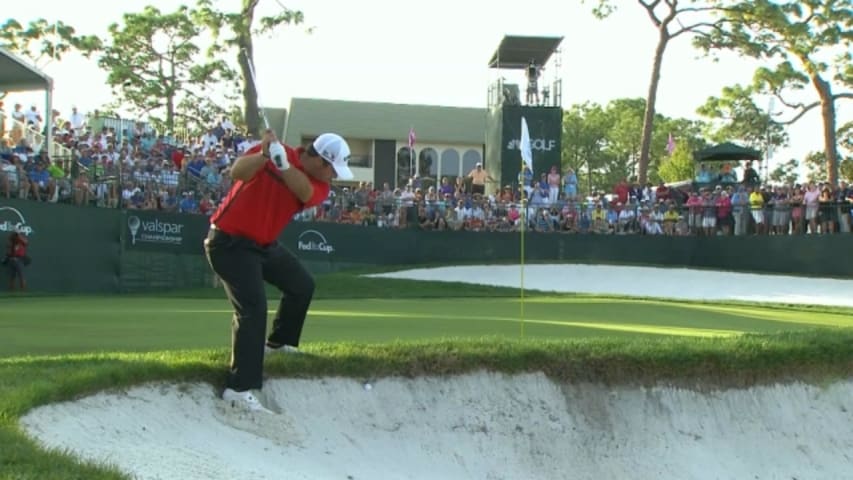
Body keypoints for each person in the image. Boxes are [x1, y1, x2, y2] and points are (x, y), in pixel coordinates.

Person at [204, 130, 353, 413]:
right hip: (228, 242)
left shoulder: (317, 185)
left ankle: (278, 345)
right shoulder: (273, 149)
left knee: (301, 285)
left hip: (262, 245)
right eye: (333, 170)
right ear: (322, 162)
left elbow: (304, 192)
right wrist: (263, 155)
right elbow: (237, 172)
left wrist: (282, 165)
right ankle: (238, 388)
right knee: (253, 309)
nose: (334, 177)